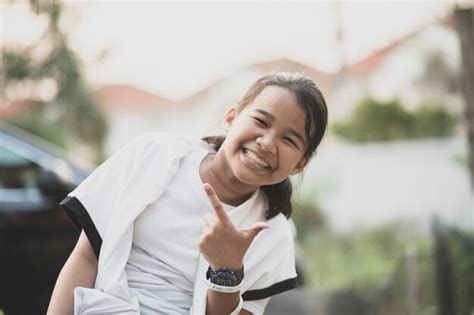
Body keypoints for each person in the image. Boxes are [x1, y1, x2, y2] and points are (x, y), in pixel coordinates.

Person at [47, 72, 328, 315]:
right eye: (262, 122)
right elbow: (85, 259)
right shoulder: (153, 154)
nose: (267, 143)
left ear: (301, 163)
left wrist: (227, 270)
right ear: (231, 118)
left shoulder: (273, 235)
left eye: (288, 139)